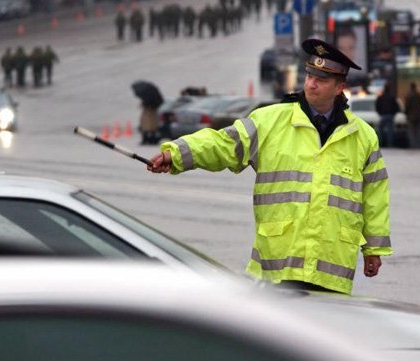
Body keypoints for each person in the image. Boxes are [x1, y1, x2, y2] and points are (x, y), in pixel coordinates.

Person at [147, 38, 392, 295]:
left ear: (339, 86)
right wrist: (177, 154)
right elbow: (223, 144)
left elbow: (375, 194)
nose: (311, 83)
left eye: (322, 79)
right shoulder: (270, 121)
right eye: (309, 75)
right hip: (277, 266)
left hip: (332, 272)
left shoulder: (363, 136)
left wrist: (374, 248)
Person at [375, 82, 400, 147]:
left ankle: (380, 144)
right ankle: (390, 145)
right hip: (390, 116)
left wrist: (380, 113)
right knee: (390, 132)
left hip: (383, 116)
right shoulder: (392, 97)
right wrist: (393, 114)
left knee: (380, 130)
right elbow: (397, 107)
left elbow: (377, 106)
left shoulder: (381, 97)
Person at [405, 82, 420, 148]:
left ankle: (413, 145)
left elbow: (407, 106)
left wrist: (406, 113)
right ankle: (419, 144)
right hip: (418, 115)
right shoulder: (419, 95)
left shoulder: (408, 95)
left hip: (411, 116)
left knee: (411, 131)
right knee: (418, 130)